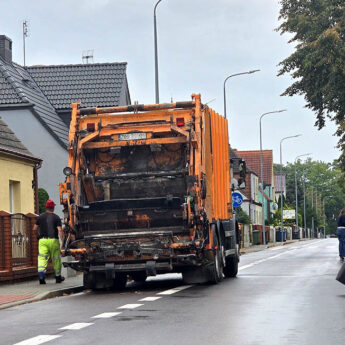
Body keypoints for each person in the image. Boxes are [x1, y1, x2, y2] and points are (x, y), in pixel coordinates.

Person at [33, 200, 65, 284]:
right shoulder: (56, 217)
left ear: (46, 207)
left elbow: (34, 229)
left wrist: (38, 236)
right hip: (53, 240)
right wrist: (63, 242)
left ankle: (41, 276)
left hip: (42, 240)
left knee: (42, 258)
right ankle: (58, 277)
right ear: (53, 207)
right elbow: (60, 230)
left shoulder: (40, 217)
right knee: (56, 258)